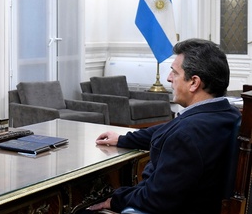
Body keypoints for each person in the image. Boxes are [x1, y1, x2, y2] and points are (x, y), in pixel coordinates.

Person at [88, 39, 242, 214]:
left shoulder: (187, 135)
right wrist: (123, 139)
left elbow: (154, 200)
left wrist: (114, 200)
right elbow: (170, 127)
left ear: (194, 82)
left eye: (174, 73)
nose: (169, 78)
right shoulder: (228, 114)